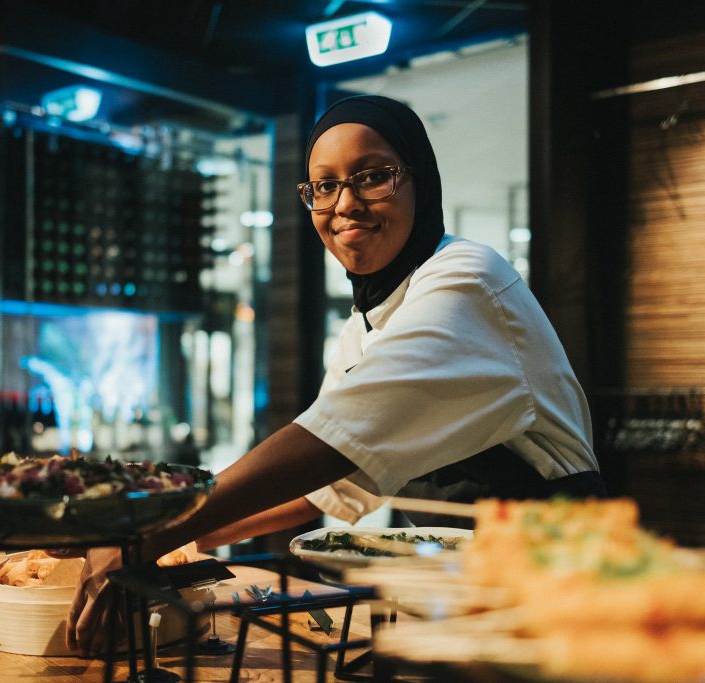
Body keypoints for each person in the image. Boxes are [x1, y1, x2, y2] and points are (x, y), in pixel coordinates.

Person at [59, 95, 606, 654]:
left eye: (373, 177)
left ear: (420, 181)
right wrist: (192, 537)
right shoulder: (366, 322)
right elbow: (331, 488)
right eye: (324, 186)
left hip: (555, 590)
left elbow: (331, 441)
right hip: (458, 600)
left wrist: (152, 532)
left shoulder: (468, 281)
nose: (345, 204)